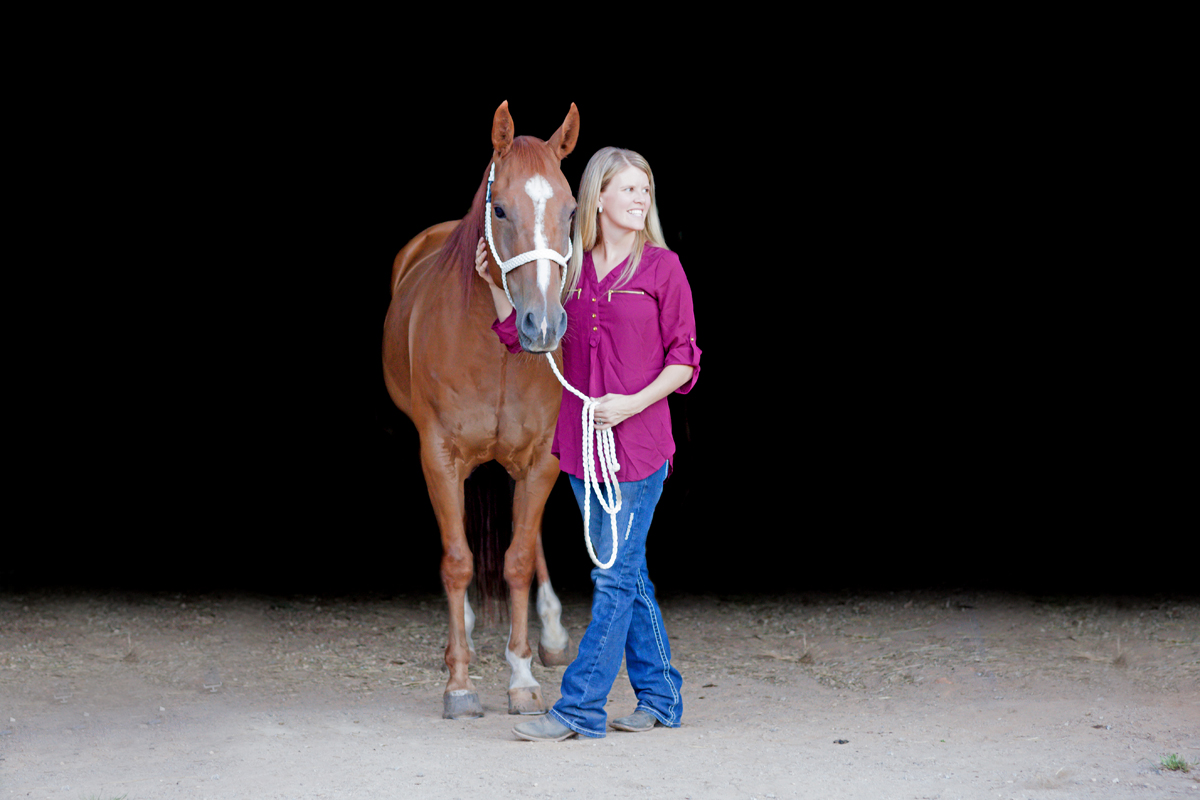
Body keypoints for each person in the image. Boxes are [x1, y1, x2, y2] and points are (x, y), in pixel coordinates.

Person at [475, 146, 701, 741]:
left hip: (641, 448)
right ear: (598, 197)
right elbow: (525, 339)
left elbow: (686, 360)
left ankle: (578, 708)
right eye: (628, 188)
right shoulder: (572, 269)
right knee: (631, 577)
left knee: (613, 580)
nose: (640, 198)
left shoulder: (663, 269)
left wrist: (630, 403)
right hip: (583, 453)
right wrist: (496, 283)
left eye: (645, 189)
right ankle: (661, 697)